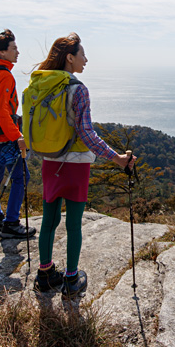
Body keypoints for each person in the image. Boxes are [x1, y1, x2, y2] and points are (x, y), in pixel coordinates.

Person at [33, 32, 134, 299]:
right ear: (70, 57)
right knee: (74, 223)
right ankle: (71, 278)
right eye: (82, 55)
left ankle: (45, 275)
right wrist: (118, 159)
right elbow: (87, 134)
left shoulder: (39, 85)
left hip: (48, 160)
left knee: (49, 221)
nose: (86, 60)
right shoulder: (78, 90)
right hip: (75, 163)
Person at [0, 29, 36, 239]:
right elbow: (1, 110)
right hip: (4, 138)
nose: (18, 52)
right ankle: (11, 223)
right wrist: (17, 136)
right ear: (2, 52)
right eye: (14, 48)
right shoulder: (4, 75)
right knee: (21, 177)